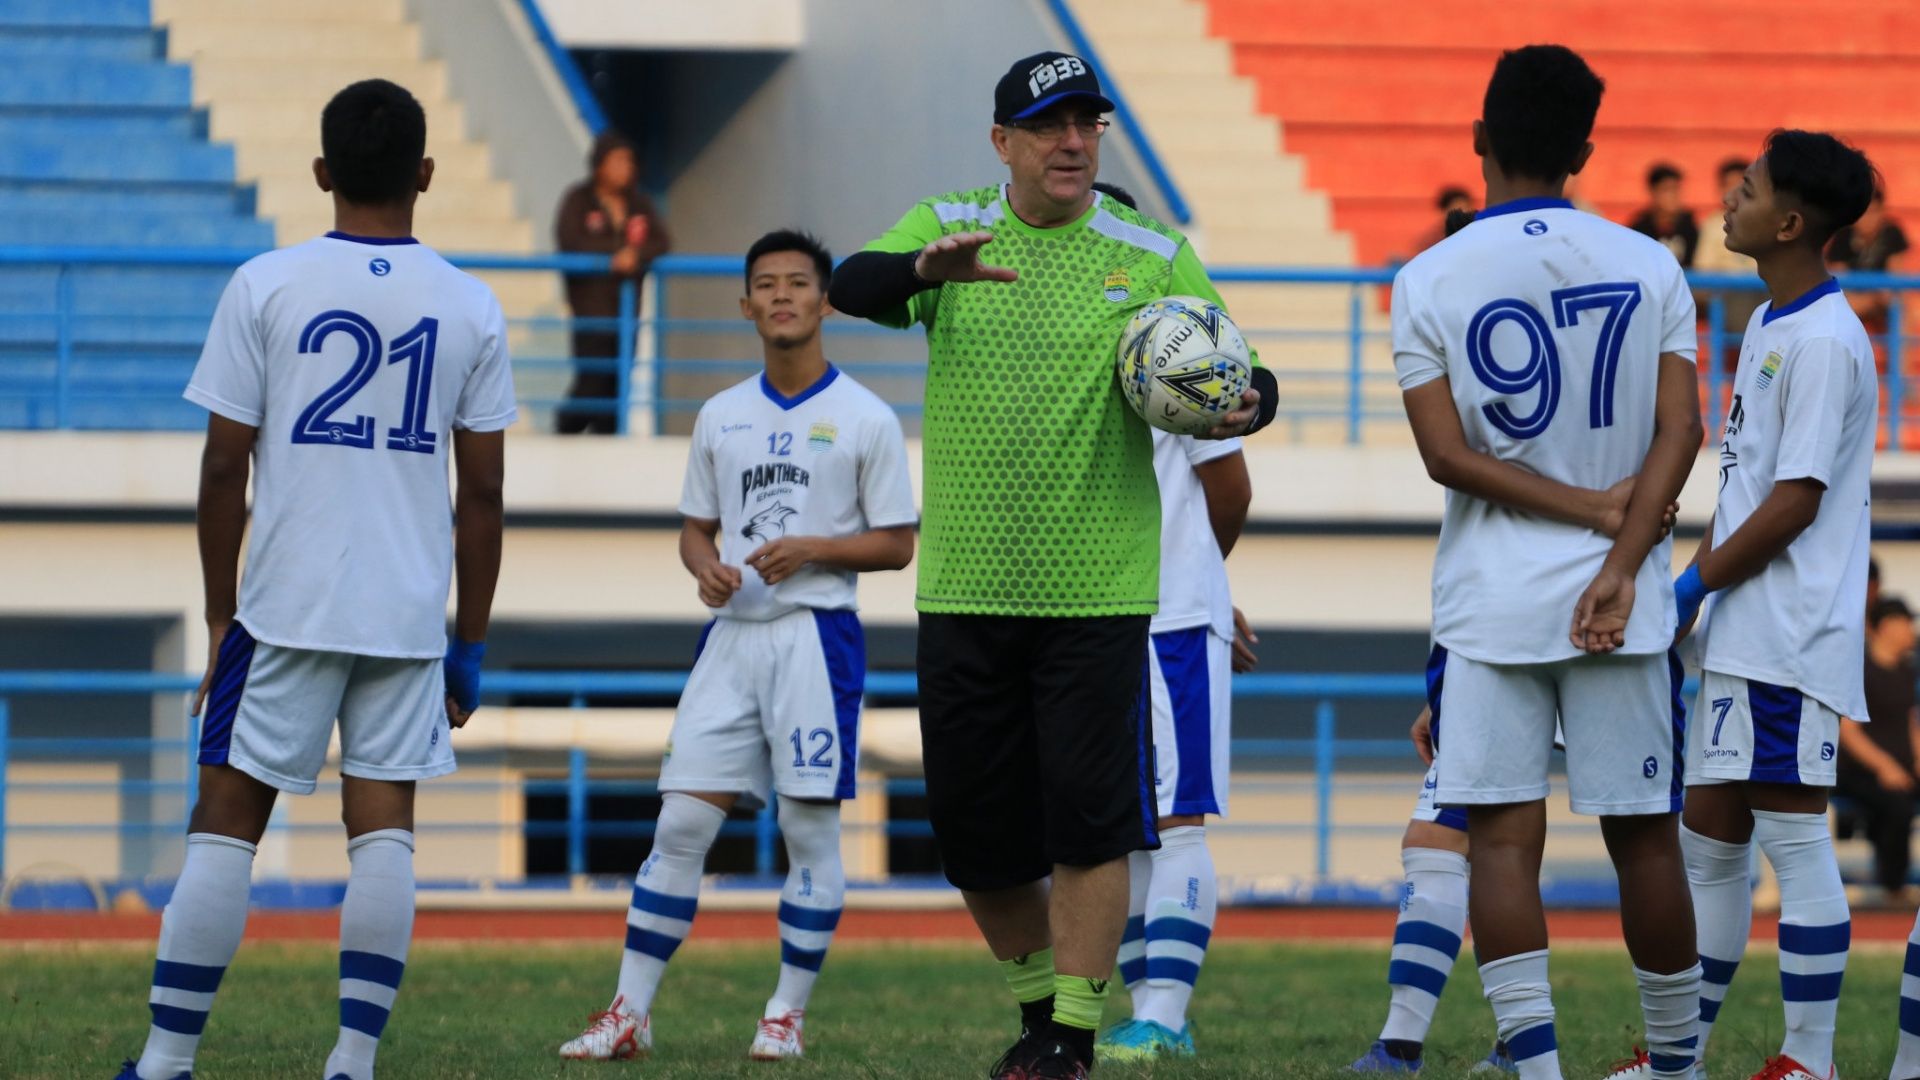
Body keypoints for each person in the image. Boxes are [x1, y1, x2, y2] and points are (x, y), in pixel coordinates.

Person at [828, 50, 1275, 1079]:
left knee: (1090, 826)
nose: (1073, 143)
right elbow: (852, 284)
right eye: (1049, 126)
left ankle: (1069, 1035)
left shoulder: (1152, 250)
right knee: (976, 842)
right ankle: (1040, 1010)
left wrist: (1249, 395)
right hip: (964, 590)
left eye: (1087, 124)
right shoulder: (949, 222)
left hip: (1099, 596)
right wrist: (922, 274)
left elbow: (1239, 366)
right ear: (1004, 143)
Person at [113, 79, 515, 1080]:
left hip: (285, 602)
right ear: (425, 175)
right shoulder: (471, 304)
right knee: (383, 835)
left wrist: (217, 619)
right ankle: (351, 1063)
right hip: (409, 610)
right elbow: (486, 497)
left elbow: (221, 467)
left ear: (322, 173)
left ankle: (165, 1063)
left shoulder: (267, 285)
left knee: (227, 828)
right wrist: (468, 642)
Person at [1392, 44, 1705, 1080]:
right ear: (1584, 151)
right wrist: (1618, 556)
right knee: (1647, 841)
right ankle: (1676, 1067)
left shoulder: (1427, 276)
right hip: (1627, 605)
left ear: (1480, 138)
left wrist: (1575, 510)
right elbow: (1681, 432)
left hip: (1492, 605)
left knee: (1501, 843)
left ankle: (1535, 1069)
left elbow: (1446, 456)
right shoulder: (1651, 262)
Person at [558, 230, 916, 1063]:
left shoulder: (865, 416)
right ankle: (628, 1014)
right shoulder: (721, 414)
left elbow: (898, 543)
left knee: (809, 831)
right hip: (729, 642)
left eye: (799, 284)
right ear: (746, 303)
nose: (783, 296)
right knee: (680, 822)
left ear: (825, 302)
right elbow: (694, 529)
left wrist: (816, 548)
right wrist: (704, 569)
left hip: (814, 642)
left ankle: (784, 1014)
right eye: (767, 284)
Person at [1672, 128, 1879, 1080]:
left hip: (1789, 633)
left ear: (1790, 222)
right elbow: (1752, 491)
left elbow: (1795, 504)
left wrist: (1688, 582)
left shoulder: (1828, 341)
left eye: (1746, 188)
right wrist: (1698, 595)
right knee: (1708, 834)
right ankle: (1680, 1055)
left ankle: (1809, 1062)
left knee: (1795, 844)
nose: (1728, 197)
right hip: (1740, 628)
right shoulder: (1767, 322)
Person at [554, 130, 671, 434]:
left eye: (629, 161)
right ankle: (562, 433)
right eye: (618, 160)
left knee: (618, 389)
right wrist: (614, 255)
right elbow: (570, 241)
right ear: (599, 165)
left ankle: (602, 452)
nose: (626, 167)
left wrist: (636, 254)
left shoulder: (639, 203)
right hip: (590, 313)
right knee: (591, 384)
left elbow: (662, 241)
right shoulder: (578, 200)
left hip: (627, 312)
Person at [1837, 597, 1920, 901]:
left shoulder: (1906, 670)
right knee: (1897, 805)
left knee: (1900, 795)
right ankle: (1893, 891)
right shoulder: (1859, 669)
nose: (1910, 629)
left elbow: (1910, 720)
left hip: (1900, 769)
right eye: (1904, 622)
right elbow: (1848, 731)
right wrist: (1884, 766)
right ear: (1884, 627)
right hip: (1859, 772)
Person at [1694, 157, 1765, 372]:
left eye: (1741, 186)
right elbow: (1703, 272)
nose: (1734, 193)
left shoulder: (1764, 222)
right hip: (1729, 296)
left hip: (1761, 293)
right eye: (1729, 185)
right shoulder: (1713, 224)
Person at [1826, 184, 1909, 342]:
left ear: (1882, 211)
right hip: (1855, 299)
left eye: (1873, 212)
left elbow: (1895, 280)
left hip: (1883, 299)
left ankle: (1900, 367)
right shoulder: (1843, 236)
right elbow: (1840, 284)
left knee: (1900, 308)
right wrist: (1870, 298)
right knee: (1838, 308)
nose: (1867, 219)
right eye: (1863, 213)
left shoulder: (1892, 233)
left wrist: (1880, 296)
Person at [1629, 162, 1700, 267]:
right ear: (1653, 192)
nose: (1673, 196)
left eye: (1676, 189)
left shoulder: (1689, 227)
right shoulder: (1639, 230)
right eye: (1666, 190)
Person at [1403, 186, 1478, 259]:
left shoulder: (1476, 232)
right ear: (1444, 211)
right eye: (1458, 209)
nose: (1464, 213)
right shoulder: (1431, 240)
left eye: (1467, 207)